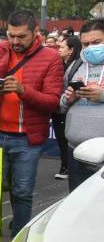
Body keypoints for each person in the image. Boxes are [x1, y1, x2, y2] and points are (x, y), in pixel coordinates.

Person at [0, 10, 64, 236]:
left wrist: (23, 90)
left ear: (35, 32)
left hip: (27, 138)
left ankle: (19, 236)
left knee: (22, 192)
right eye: (11, 35)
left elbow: (52, 101)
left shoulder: (51, 58)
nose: (15, 41)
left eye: (21, 36)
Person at [61, 19, 104, 191]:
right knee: (78, 200)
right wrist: (68, 99)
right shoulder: (75, 66)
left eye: (96, 42)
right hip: (76, 150)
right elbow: (61, 104)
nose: (90, 48)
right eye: (86, 44)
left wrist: (102, 95)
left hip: (102, 152)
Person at [52, 34, 82, 180]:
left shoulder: (76, 67)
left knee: (65, 140)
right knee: (61, 139)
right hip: (59, 108)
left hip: (67, 110)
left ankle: (67, 166)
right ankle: (66, 165)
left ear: (71, 50)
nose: (58, 49)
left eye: (62, 47)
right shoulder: (61, 64)